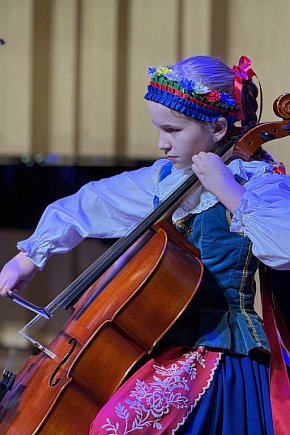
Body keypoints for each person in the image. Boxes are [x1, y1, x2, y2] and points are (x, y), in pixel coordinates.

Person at [0, 54, 290, 434]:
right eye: (158, 129)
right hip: (159, 346)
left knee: (115, 426)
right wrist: (29, 257)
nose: (161, 143)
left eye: (172, 130)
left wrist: (227, 189)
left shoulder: (257, 181)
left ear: (218, 127)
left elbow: (283, 248)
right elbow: (92, 201)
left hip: (218, 349)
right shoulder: (166, 178)